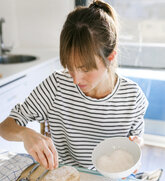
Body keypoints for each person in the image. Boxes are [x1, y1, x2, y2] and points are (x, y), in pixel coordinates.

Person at [0, 0, 148, 171]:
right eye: (70, 68)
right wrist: (25, 134)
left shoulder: (133, 97)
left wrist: (136, 148)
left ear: (110, 57)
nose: (76, 80)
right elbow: (5, 126)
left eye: (85, 69)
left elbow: (136, 141)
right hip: (68, 178)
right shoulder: (56, 86)